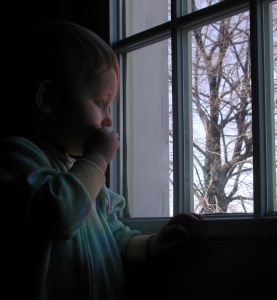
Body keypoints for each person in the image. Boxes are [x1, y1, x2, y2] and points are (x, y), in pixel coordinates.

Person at [0, 20, 202, 300]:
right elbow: (60, 214)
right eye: (99, 103)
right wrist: (96, 159)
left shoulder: (84, 177)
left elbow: (113, 237)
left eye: (109, 106)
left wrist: (151, 245)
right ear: (47, 99)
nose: (108, 118)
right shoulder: (17, 158)